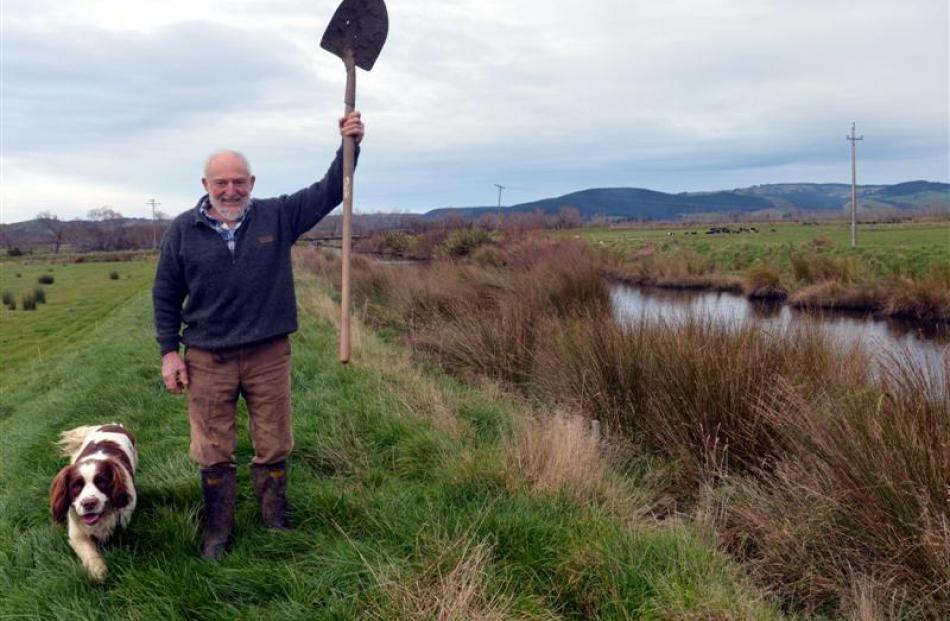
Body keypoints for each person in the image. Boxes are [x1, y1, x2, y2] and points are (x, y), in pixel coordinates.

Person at [152, 111, 365, 560]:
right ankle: (217, 531)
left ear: (252, 181)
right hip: (209, 356)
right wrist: (170, 352)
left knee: (273, 440)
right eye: (221, 183)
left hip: (269, 353)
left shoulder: (278, 215)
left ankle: (275, 521)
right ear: (206, 184)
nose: (231, 190)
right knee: (212, 447)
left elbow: (329, 191)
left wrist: (349, 145)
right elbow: (166, 294)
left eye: (239, 182)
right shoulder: (182, 231)